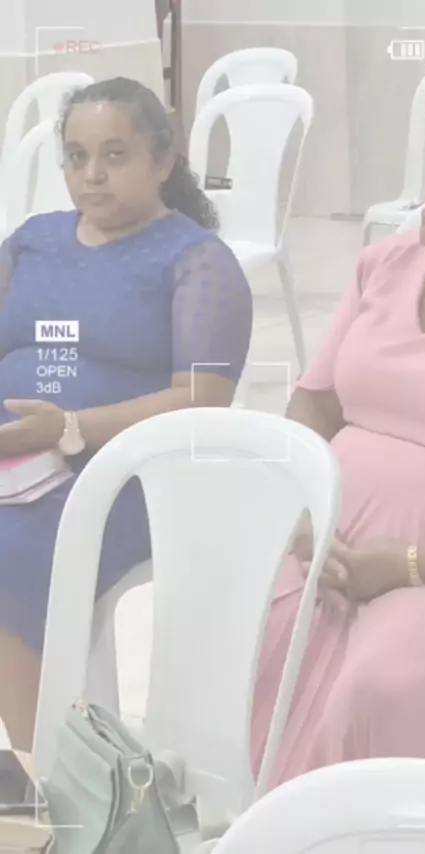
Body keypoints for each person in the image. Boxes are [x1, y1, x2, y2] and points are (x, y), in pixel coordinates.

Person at [0, 77, 252, 749]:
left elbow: (203, 401)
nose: (92, 175)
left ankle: (38, 772)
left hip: (125, 477)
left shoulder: (197, 262)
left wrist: (71, 429)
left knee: (5, 555)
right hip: (15, 455)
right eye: (76, 157)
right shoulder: (32, 241)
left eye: (115, 155)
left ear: (162, 161)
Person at [252, 128, 425, 785]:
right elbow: (313, 406)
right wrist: (305, 521)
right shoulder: (388, 263)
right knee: (241, 634)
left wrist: (409, 565)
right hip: (329, 552)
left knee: (388, 684)